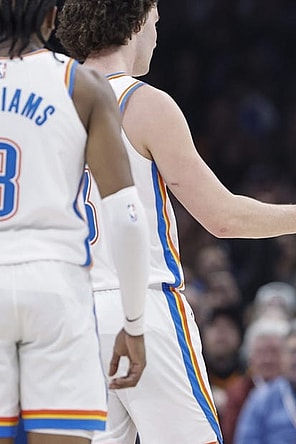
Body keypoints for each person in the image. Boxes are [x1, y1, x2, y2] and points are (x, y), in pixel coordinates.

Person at [55, 2, 296, 443]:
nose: (156, 34)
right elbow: (222, 218)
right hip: (140, 305)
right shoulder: (144, 103)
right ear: (133, 24)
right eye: (155, 23)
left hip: (68, 313)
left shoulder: (46, 107)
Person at [0, 1, 151, 442]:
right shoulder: (80, 83)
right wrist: (135, 323)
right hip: (55, 286)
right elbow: (126, 217)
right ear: (51, 20)